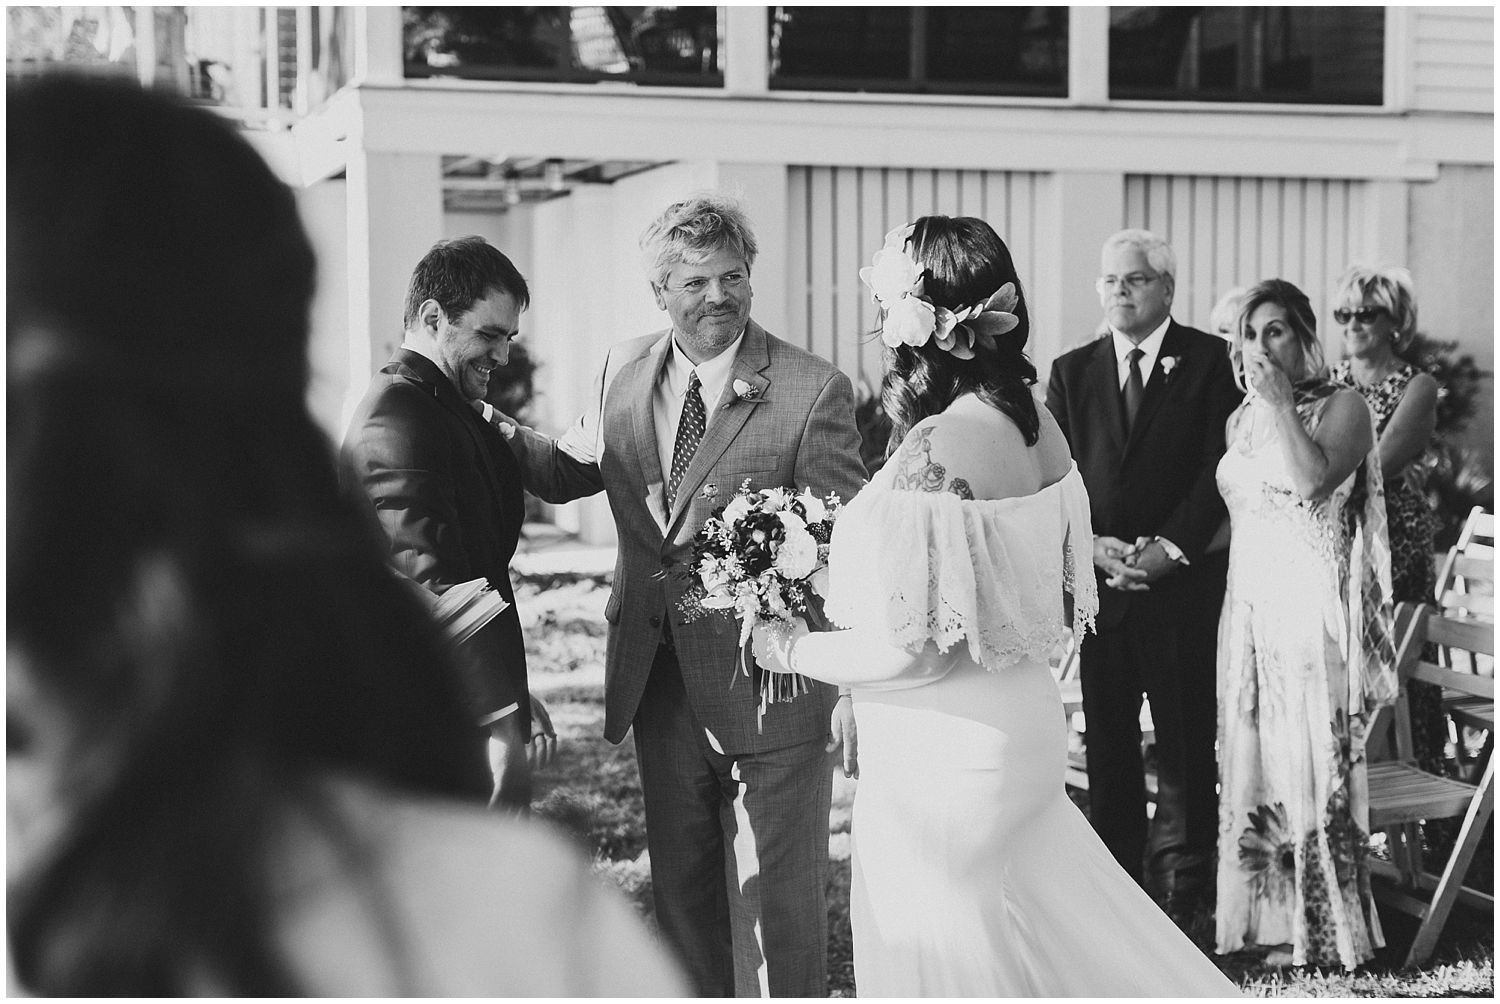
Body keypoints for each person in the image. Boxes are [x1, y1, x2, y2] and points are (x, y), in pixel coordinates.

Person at [6, 74, 685, 997]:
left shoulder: (456, 407)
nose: (503, 357)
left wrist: (629, 403)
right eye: (488, 336)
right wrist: (492, 711)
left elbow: (558, 473)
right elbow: (429, 570)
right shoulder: (514, 919)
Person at [749, 216, 1238, 996]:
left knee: (949, 967)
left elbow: (913, 648)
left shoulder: (939, 447)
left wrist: (784, 647)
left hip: (946, 760)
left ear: (922, 325)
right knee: (1056, 952)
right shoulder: (1039, 427)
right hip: (1022, 730)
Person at [485, 193, 867, 996]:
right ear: (659, 291)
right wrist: (473, 415)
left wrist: (846, 673)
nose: (718, 297)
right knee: (684, 893)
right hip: (659, 674)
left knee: (780, 898)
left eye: (732, 277)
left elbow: (845, 543)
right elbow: (569, 469)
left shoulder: (810, 389)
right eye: (694, 283)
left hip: (774, 684)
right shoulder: (624, 366)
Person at [1044, 228, 1243, 922]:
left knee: (1187, 744)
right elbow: (1059, 477)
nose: (1118, 293)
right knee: (1109, 746)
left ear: (1167, 287)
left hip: (1181, 589)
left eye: (1132, 280)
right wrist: (1093, 548)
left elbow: (1217, 472)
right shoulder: (1072, 371)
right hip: (1105, 593)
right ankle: (1119, 894)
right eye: (1108, 281)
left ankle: (1184, 895)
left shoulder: (1213, 362)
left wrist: (1169, 550)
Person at [1214, 278, 1398, 969]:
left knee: (1309, 767)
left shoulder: (1342, 406)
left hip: (1310, 615)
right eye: (1248, 334)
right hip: (1252, 611)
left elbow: (1311, 483)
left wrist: (1283, 404)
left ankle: (1324, 930)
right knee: (1254, 763)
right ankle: (1262, 923)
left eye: (1275, 331)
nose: (1260, 347)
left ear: (1305, 336)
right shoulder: (1241, 420)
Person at [344, 236, 553, 811]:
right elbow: (434, 586)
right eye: (488, 335)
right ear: (433, 318)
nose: (503, 356)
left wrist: (514, 692)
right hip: (441, 730)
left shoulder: (436, 406)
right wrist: (500, 720)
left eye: (508, 338)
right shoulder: (396, 418)